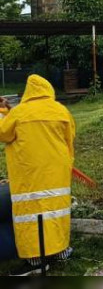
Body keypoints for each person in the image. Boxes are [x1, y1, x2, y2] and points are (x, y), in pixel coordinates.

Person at [0, 75, 75, 262]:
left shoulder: (19, 113)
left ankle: (34, 256)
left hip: (28, 174)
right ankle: (61, 251)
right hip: (56, 173)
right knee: (56, 211)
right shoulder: (61, 110)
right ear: (48, 90)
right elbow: (69, 138)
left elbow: (4, 133)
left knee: (29, 214)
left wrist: (3, 111)